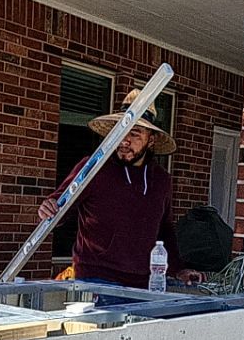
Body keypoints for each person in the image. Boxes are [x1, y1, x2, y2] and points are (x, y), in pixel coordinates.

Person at [37, 90, 197, 288]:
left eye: (135, 134)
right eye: (121, 132)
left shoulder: (162, 180)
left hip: (141, 284)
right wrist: (50, 205)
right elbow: (60, 203)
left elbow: (164, 230)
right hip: (94, 280)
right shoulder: (94, 167)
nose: (124, 141)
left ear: (151, 140)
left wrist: (178, 269)